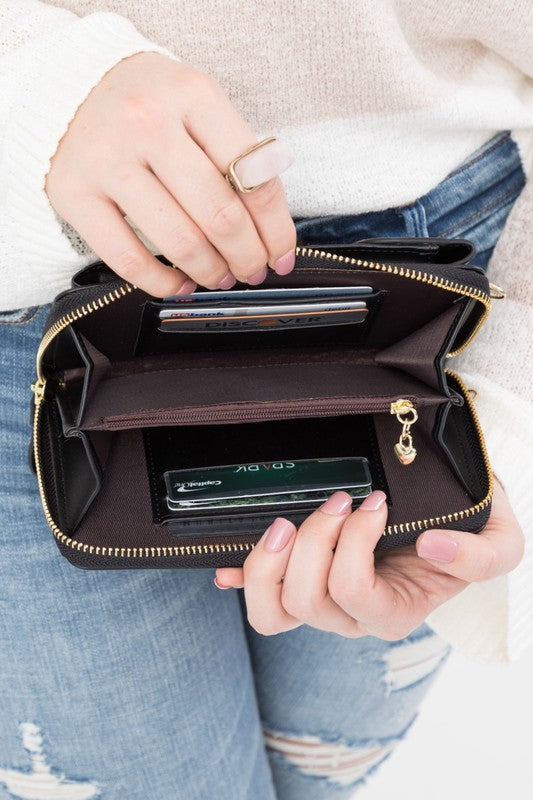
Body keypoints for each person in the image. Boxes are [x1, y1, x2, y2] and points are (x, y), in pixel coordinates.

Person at [0, 2, 531, 798]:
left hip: (455, 294)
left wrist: (510, 395)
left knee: (317, 773)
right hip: (44, 281)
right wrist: (31, 77)